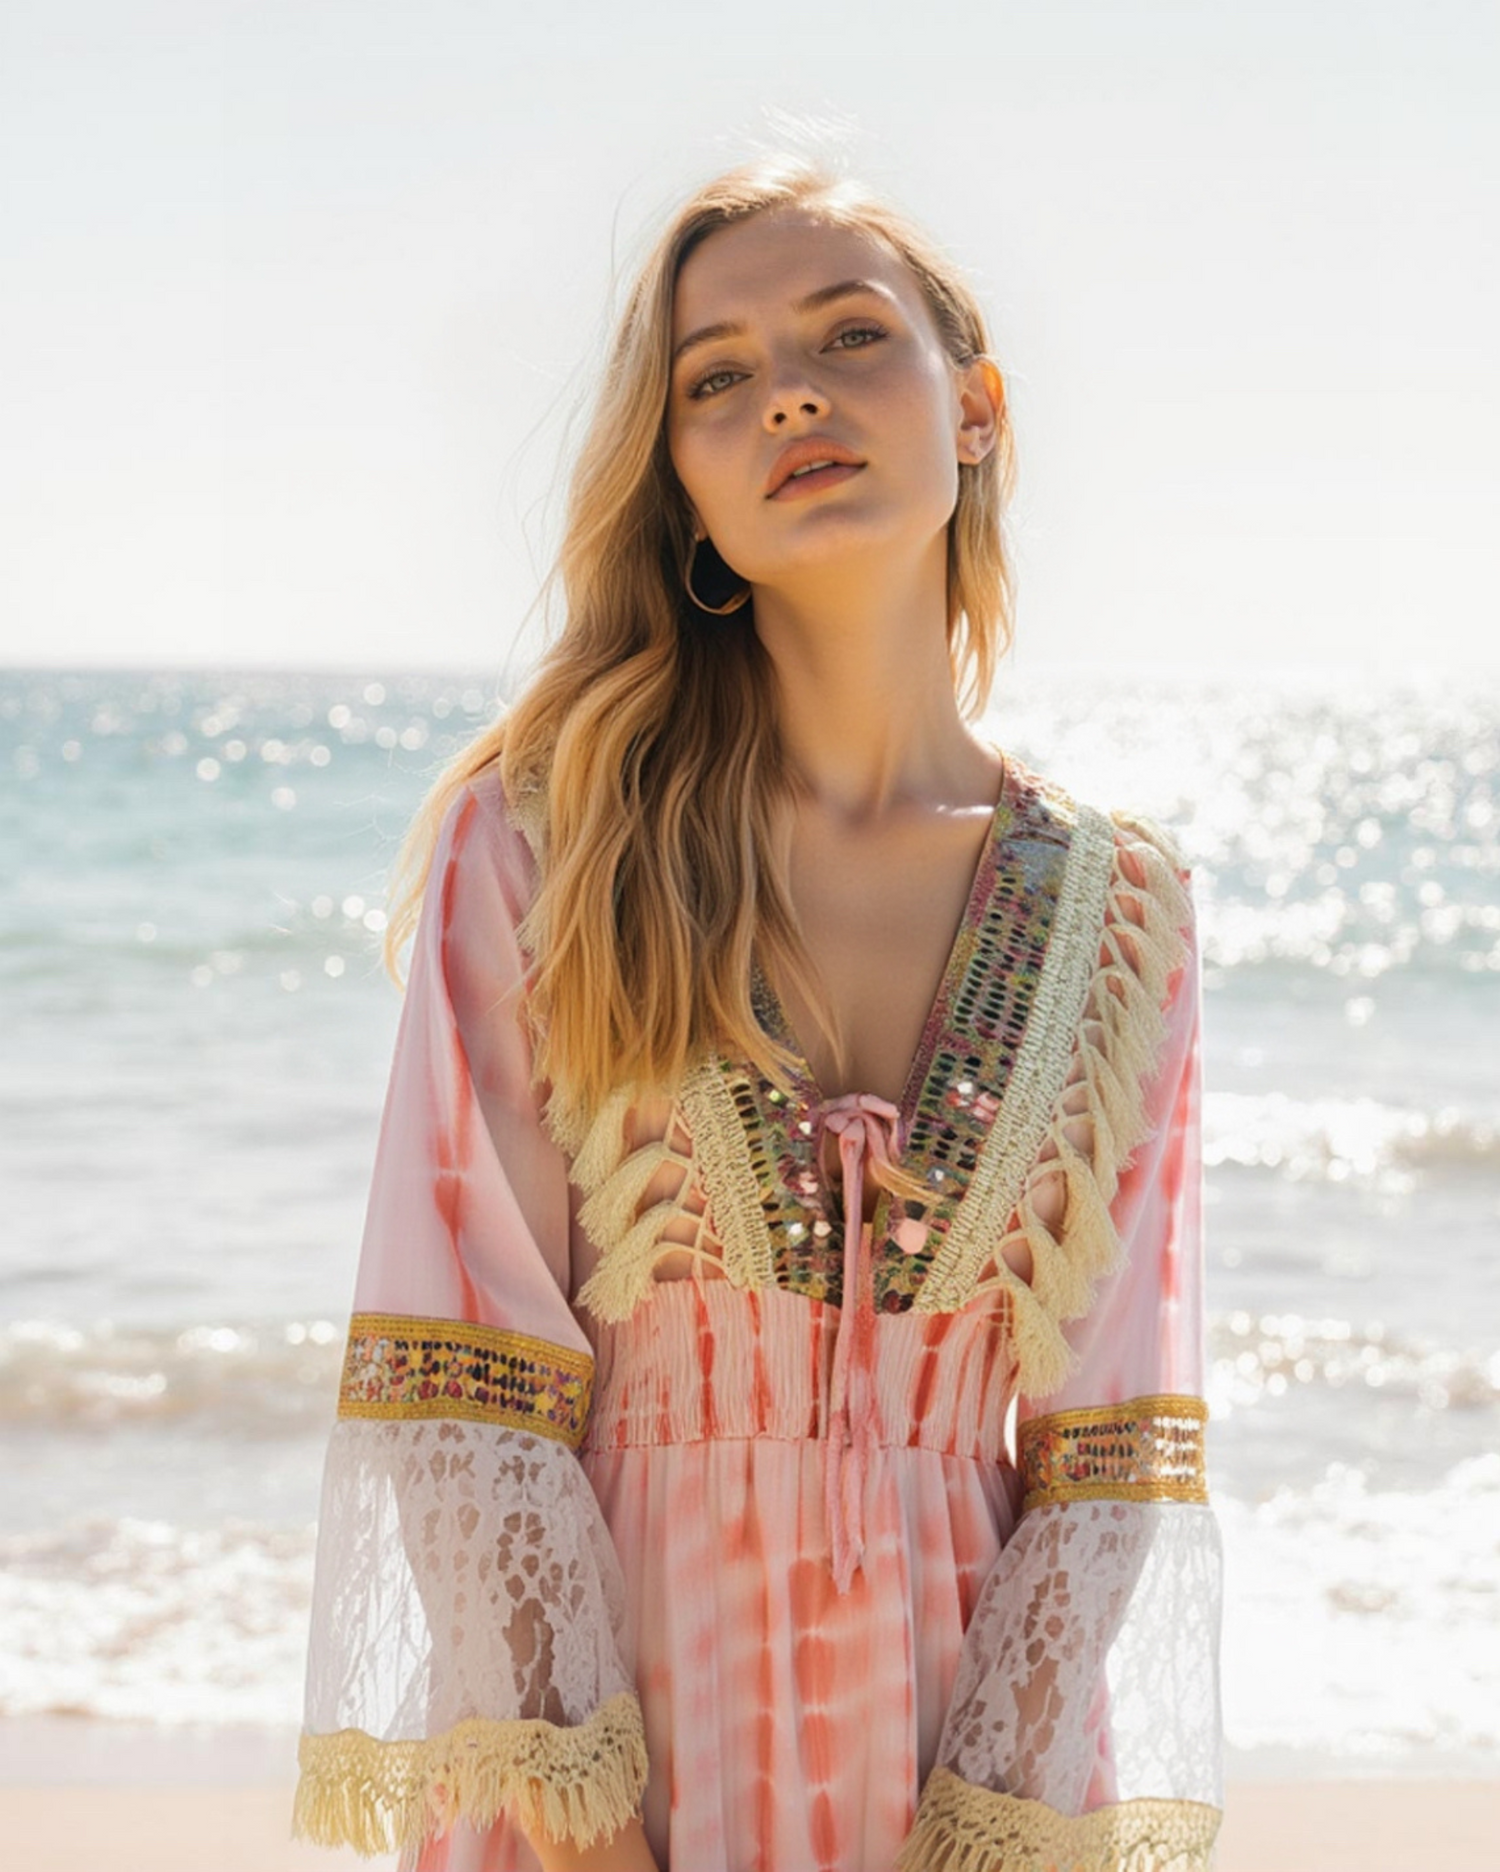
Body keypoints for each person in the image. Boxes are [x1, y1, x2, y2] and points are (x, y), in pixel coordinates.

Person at [291, 151, 1224, 1872]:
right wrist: (586, 1836)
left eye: (848, 335)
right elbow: (464, 1380)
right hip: (611, 1770)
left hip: (973, 1788)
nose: (787, 387)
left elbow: (1102, 1455)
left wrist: (987, 1835)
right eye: (715, 376)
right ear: (685, 491)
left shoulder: (1122, 916)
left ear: (974, 409)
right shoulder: (545, 844)